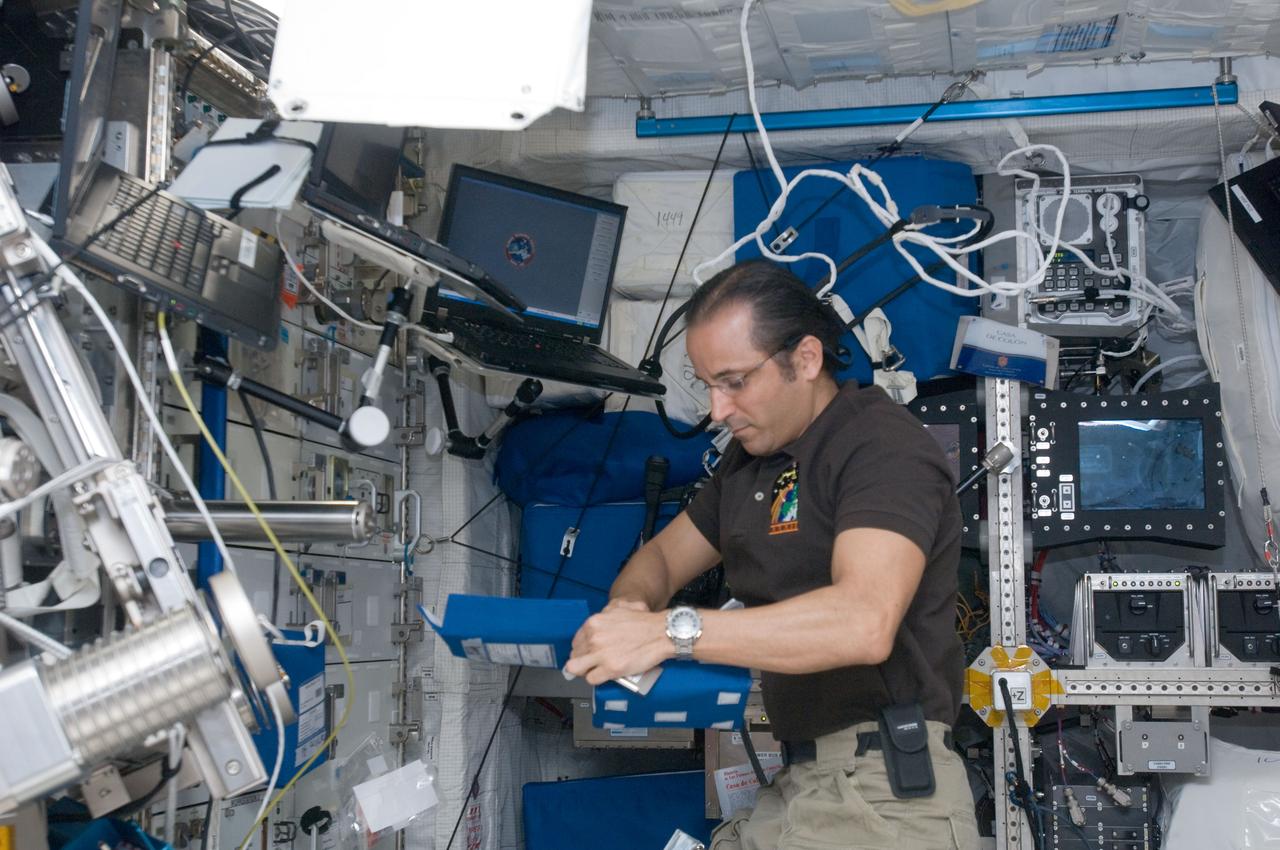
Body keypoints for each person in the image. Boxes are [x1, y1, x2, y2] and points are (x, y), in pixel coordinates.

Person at [564, 259, 980, 850]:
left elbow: (862, 623)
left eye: (734, 381)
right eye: (707, 384)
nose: (718, 409)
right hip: (804, 779)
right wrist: (631, 611)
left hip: (884, 794)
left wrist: (672, 633)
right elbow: (661, 558)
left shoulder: (880, 447)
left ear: (806, 359)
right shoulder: (748, 464)